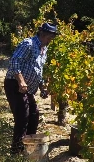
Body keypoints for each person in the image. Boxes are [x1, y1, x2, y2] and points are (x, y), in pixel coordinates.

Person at [4, 22, 58, 155]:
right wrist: (21, 81)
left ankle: (28, 148)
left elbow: (38, 70)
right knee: (23, 116)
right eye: (49, 38)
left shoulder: (44, 49)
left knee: (34, 115)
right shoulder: (28, 44)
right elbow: (14, 61)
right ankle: (16, 151)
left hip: (27, 88)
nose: (50, 41)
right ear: (42, 34)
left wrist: (42, 86)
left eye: (52, 38)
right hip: (15, 84)